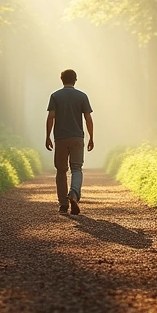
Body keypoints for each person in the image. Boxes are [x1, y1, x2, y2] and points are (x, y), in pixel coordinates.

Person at [45, 69, 94, 214]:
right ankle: (73, 194)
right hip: (77, 137)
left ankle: (63, 204)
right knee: (76, 168)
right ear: (75, 80)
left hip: (60, 138)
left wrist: (48, 136)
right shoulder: (82, 96)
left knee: (61, 170)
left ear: (61, 79)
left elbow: (51, 117)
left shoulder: (55, 96)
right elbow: (88, 119)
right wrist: (91, 137)